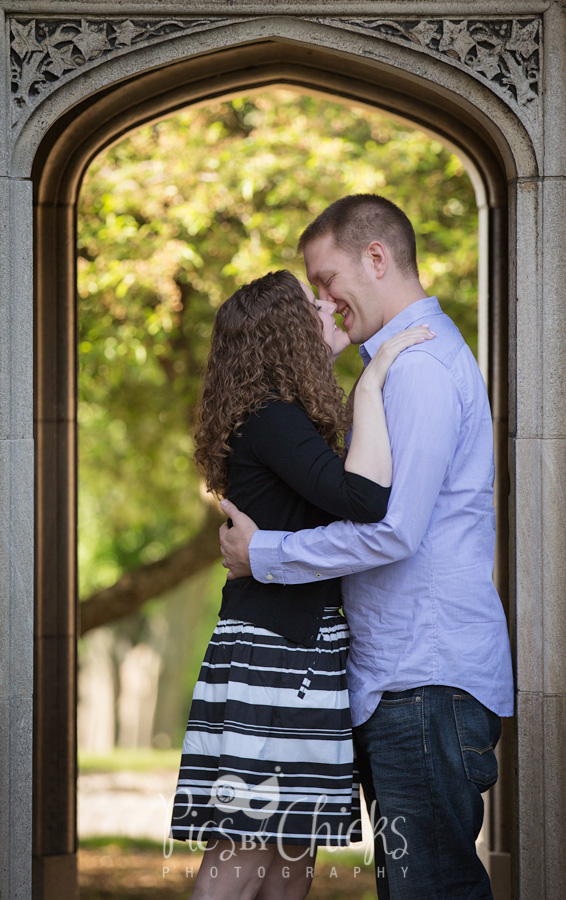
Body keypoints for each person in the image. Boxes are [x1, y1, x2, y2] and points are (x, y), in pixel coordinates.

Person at [219, 194, 515, 900]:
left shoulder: (417, 370)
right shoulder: (395, 366)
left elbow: (392, 530)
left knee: (430, 891)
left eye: (324, 281)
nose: (321, 301)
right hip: (406, 684)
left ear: (375, 259)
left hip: (424, 685)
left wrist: (266, 554)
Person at [169, 268, 434, 900]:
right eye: (313, 305)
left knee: (290, 861)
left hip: (299, 649)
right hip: (273, 649)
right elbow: (364, 499)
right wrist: (371, 380)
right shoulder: (272, 417)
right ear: (286, 332)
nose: (329, 310)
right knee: (246, 844)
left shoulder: (284, 416)